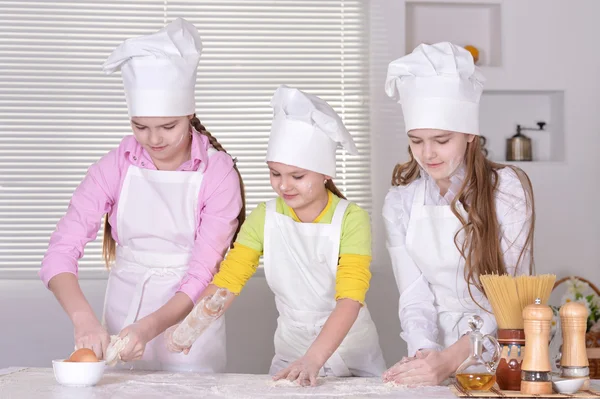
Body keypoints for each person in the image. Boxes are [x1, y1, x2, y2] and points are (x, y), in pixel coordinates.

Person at [39, 18, 245, 372]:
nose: (154, 140)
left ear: (189, 115)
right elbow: (59, 253)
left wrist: (149, 328)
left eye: (168, 126)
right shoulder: (114, 166)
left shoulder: (217, 172)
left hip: (187, 322)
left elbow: (201, 273)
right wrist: (84, 319)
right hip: (123, 313)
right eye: (141, 127)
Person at [165, 85, 386, 386]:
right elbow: (228, 282)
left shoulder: (352, 219)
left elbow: (350, 299)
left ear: (325, 173)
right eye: (275, 173)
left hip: (352, 353)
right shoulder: (264, 217)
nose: (284, 186)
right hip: (290, 352)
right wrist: (191, 326)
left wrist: (314, 358)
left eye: (297, 176)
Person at [381, 42, 535, 386]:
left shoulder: (507, 190)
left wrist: (455, 357)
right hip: (433, 349)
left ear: (469, 134)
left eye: (441, 139)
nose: (428, 153)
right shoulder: (400, 202)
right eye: (416, 141)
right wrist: (426, 353)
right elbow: (413, 294)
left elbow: (510, 293)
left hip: (500, 349)